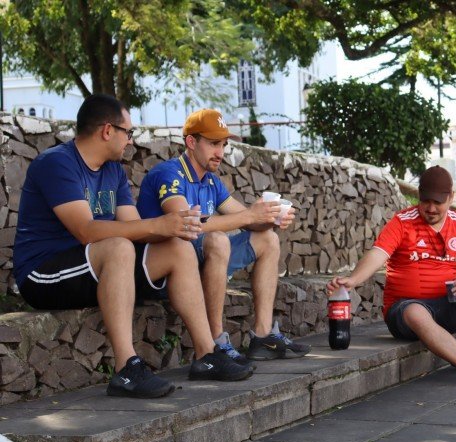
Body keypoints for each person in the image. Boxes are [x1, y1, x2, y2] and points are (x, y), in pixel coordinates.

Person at [13, 95, 254, 399]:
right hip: (44, 273)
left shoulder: (114, 171)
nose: (130, 140)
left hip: (96, 267)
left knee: (177, 248)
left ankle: (206, 355)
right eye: (128, 132)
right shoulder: (57, 163)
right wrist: (157, 225)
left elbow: (135, 228)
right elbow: (87, 231)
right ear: (106, 130)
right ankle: (126, 368)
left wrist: (175, 226)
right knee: (118, 247)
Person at [137, 109, 310, 364]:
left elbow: (245, 218)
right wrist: (251, 216)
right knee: (217, 239)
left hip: (201, 262)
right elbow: (185, 225)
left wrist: (270, 219)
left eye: (224, 144)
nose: (221, 152)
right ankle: (216, 342)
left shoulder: (211, 181)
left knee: (268, 239)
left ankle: (262, 336)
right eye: (214, 144)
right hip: (168, 268)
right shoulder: (170, 174)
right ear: (191, 142)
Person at [326, 166, 456, 385]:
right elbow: (377, 254)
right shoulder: (403, 221)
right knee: (415, 311)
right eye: (425, 201)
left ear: (451, 198)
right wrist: (353, 280)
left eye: (438, 202)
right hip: (405, 312)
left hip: (447, 305)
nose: (430, 208)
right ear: (418, 196)